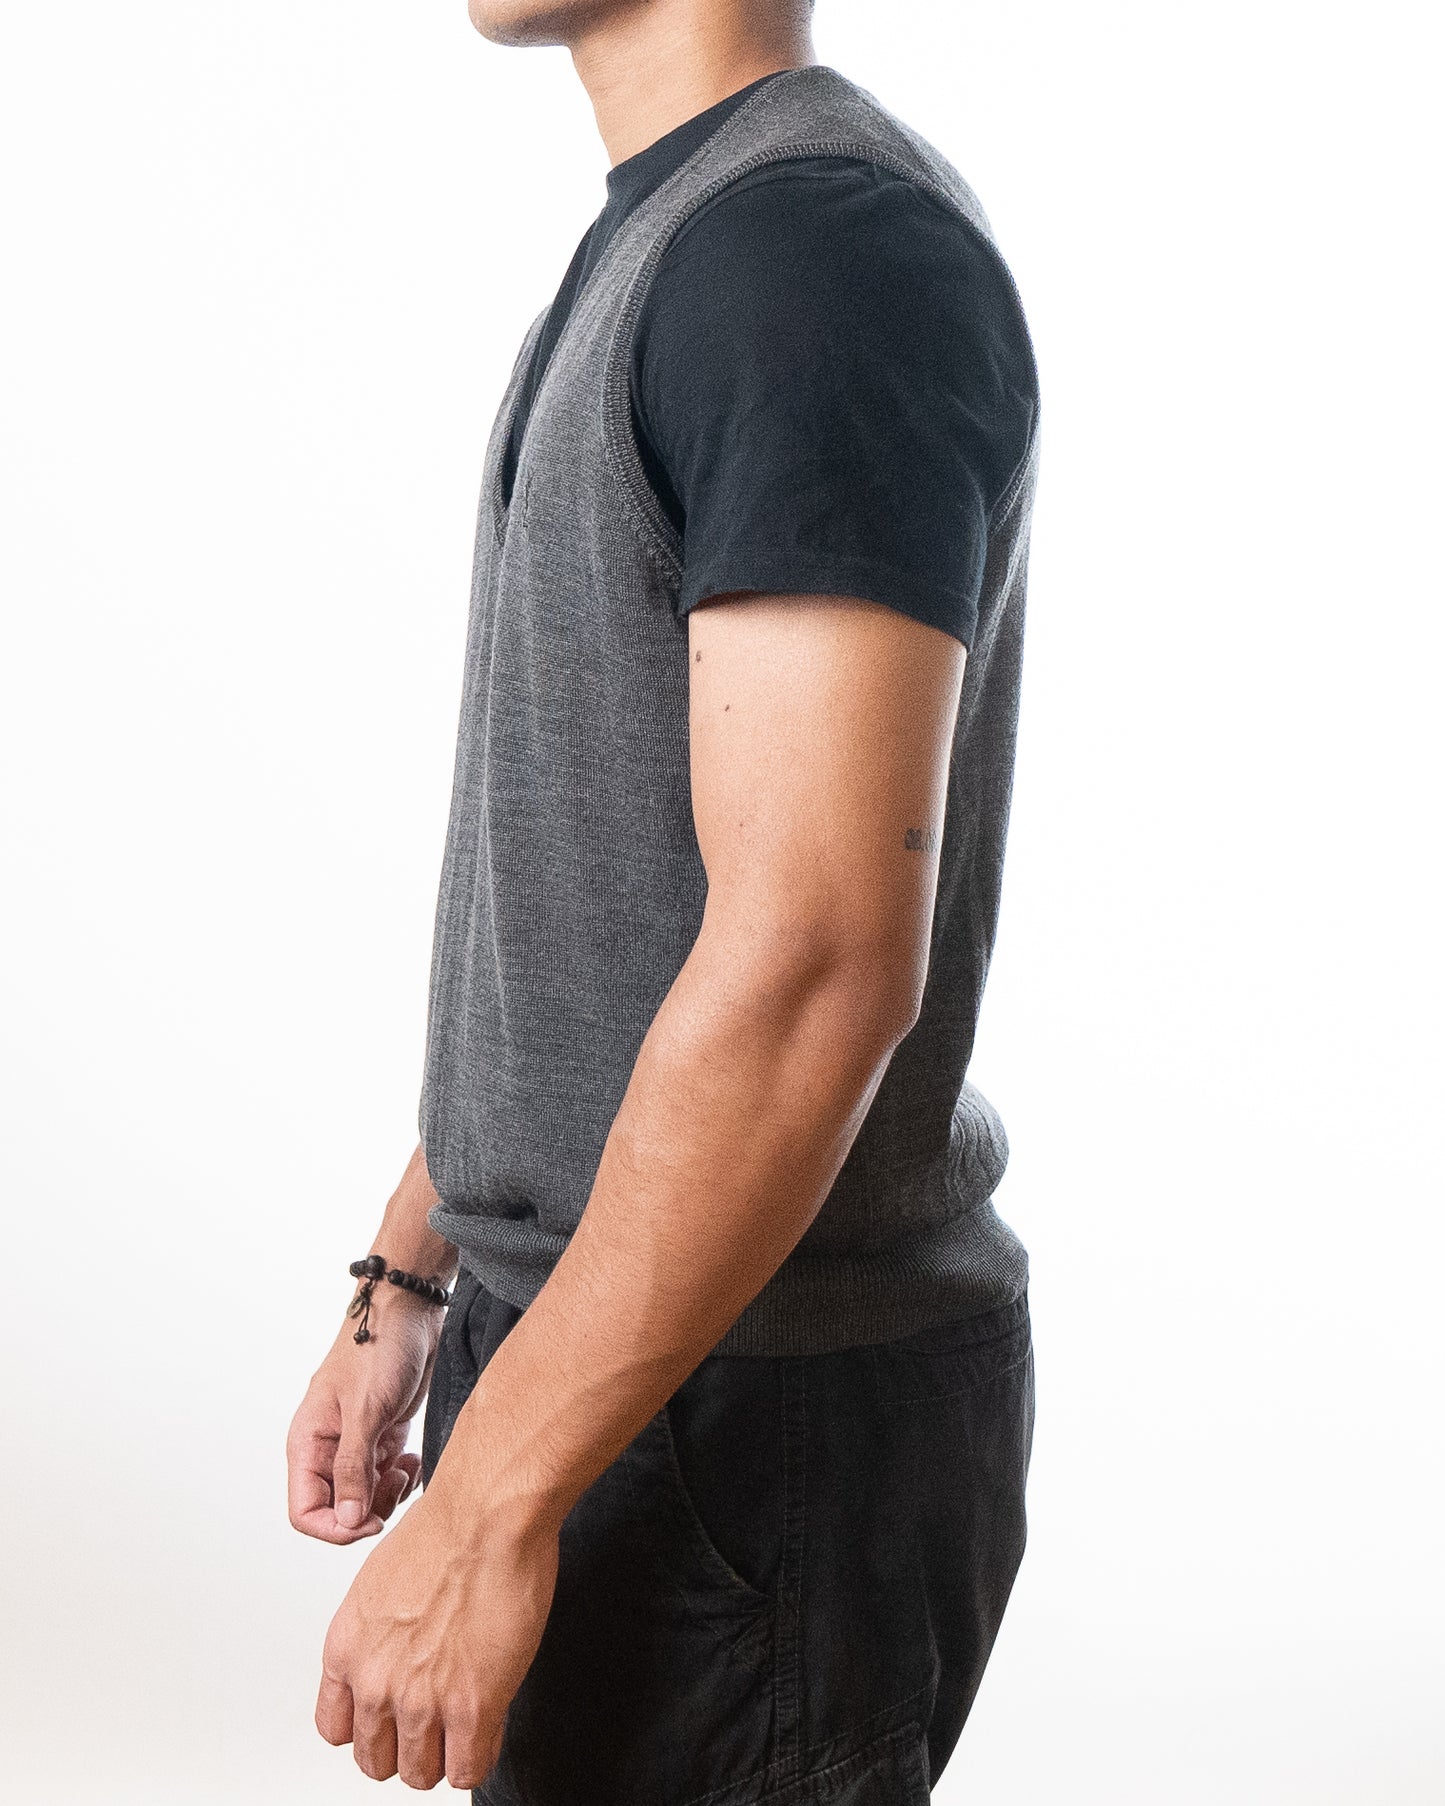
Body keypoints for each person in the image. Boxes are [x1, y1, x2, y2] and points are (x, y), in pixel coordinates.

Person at [286, 0, 1042, 1798]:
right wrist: (413, 1268)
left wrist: (489, 1500)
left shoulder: (809, 255)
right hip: (624, 1359)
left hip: (740, 1412)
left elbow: (814, 959)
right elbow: (603, 885)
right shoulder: (687, 233)